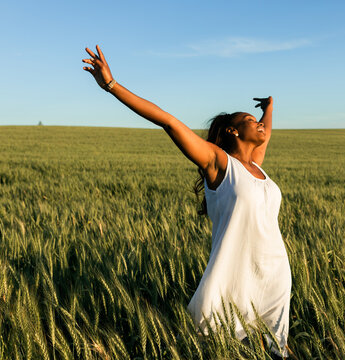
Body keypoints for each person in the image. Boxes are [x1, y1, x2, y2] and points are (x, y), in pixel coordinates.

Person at [82, 45, 292, 358]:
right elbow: (168, 122)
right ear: (233, 131)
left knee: (278, 352)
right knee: (208, 347)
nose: (260, 124)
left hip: (275, 273)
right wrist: (112, 85)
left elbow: (266, 134)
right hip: (231, 275)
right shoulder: (218, 162)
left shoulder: (257, 165)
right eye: (251, 120)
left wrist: (268, 109)